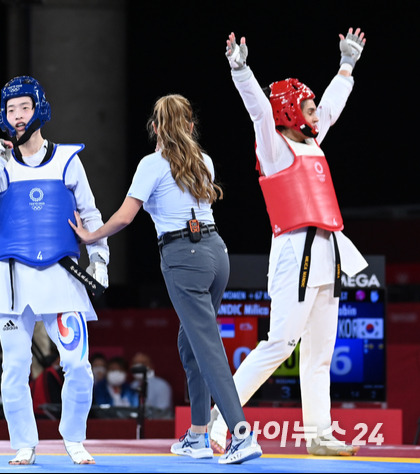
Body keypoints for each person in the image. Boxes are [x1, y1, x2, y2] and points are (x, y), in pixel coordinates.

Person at [70, 94, 262, 465]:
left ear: (156, 127)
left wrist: (91, 237)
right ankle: (199, 435)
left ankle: (240, 433)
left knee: (206, 347)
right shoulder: (202, 160)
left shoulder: (152, 164)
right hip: (217, 254)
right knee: (191, 344)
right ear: (190, 126)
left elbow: (125, 217)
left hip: (184, 257)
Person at [208, 29, 369, 457]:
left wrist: (347, 65)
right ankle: (221, 418)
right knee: (279, 344)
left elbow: (334, 105)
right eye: (309, 107)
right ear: (290, 110)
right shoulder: (274, 147)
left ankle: (319, 434)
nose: (318, 114)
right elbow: (259, 111)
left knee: (320, 352)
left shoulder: (314, 142)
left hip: (327, 250)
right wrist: (240, 70)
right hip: (294, 252)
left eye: (315, 108)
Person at [0, 75, 109, 466]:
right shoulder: (0, 163)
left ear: (39, 108)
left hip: (62, 278)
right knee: (14, 368)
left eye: (24, 107)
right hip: (14, 281)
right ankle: (23, 442)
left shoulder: (67, 160)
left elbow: (91, 214)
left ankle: (74, 438)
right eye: (11, 109)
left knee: (78, 364)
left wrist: (100, 258)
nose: (18, 116)